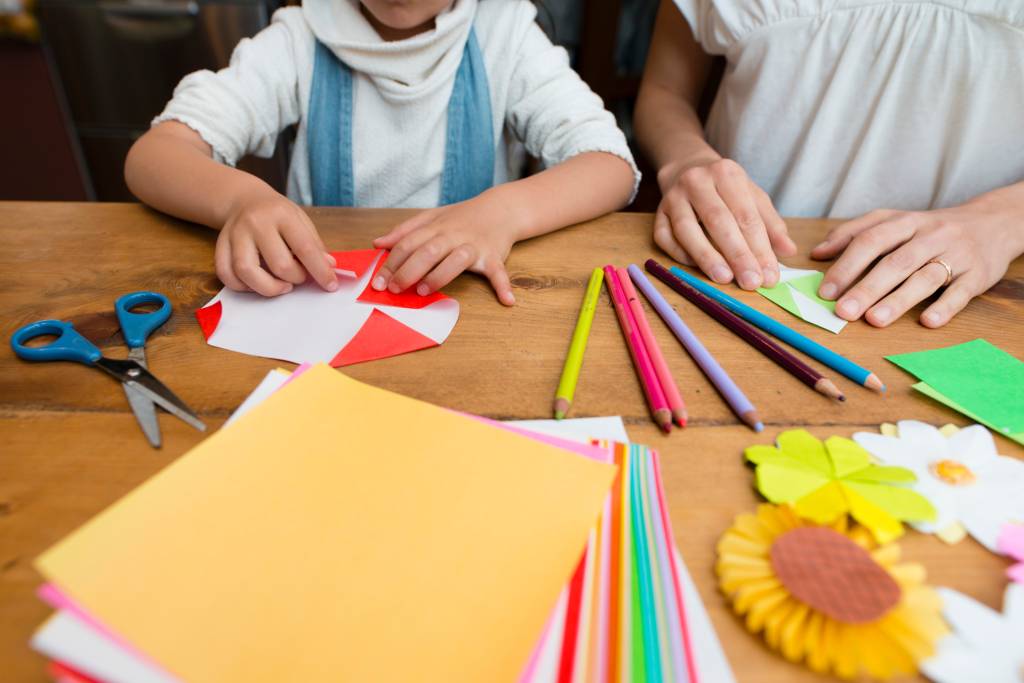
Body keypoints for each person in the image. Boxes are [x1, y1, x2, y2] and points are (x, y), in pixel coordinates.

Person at [125, 0, 639, 305]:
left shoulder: (506, 35)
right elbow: (155, 155)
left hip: (467, 316)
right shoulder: (301, 35)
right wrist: (238, 201)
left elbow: (610, 165)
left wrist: (502, 213)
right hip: (321, 314)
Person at [635, 0, 1024, 327]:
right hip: (742, 262)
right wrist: (687, 160)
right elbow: (663, 91)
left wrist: (1004, 220)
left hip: (976, 294)